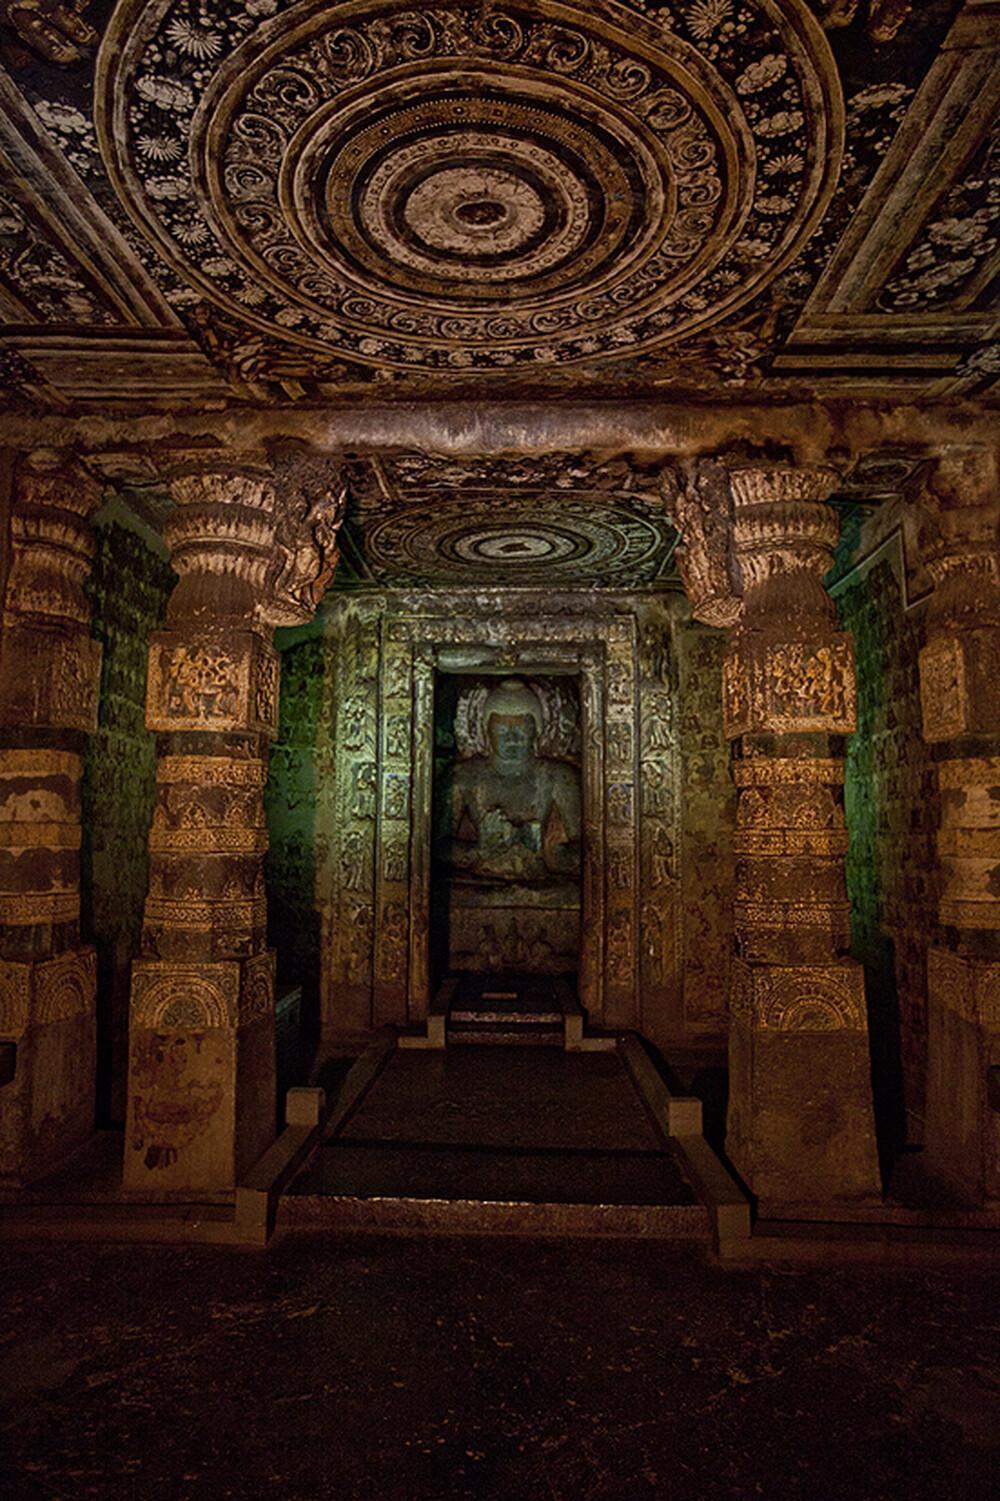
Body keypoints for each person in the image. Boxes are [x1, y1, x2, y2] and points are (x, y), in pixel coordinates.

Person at [443, 678, 580, 882]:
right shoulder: (464, 776)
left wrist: (550, 854)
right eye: (502, 730)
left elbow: (590, 848)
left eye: (522, 730)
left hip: (539, 885)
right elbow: (432, 848)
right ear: (487, 731)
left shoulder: (557, 776)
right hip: (479, 884)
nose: (512, 739)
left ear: (537, 730)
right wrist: (480, 849)